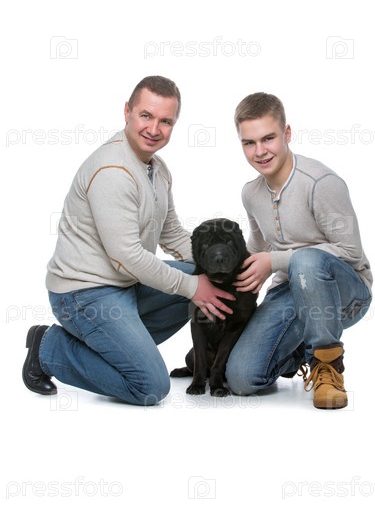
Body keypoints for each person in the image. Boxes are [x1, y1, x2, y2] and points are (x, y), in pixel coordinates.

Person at [22, 75, 234, 405]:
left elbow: (172, 233)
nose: (154, 129)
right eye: (146, 116)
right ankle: (49, 348)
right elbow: (126, 257)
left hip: (126, 286)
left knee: (202, 279)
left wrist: (225, 265)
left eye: (166, 121)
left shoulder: (157, 169)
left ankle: (114, 348)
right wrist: (193, 287)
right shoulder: (112, 171)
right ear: (127, 112)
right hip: (83, 294)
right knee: (149, 385)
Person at [226, 92, 372, 409]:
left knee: (305, 260)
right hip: (289, 291)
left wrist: (274, 261)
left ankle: (328, 367)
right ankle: (299, 351)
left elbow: (351, 251)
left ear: (287, 133)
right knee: (241, 378)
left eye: (268, 138)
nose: (259, 151)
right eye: (249, 143)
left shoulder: (320, 182)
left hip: (346, 294)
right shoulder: (251, 193)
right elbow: (256, 248)